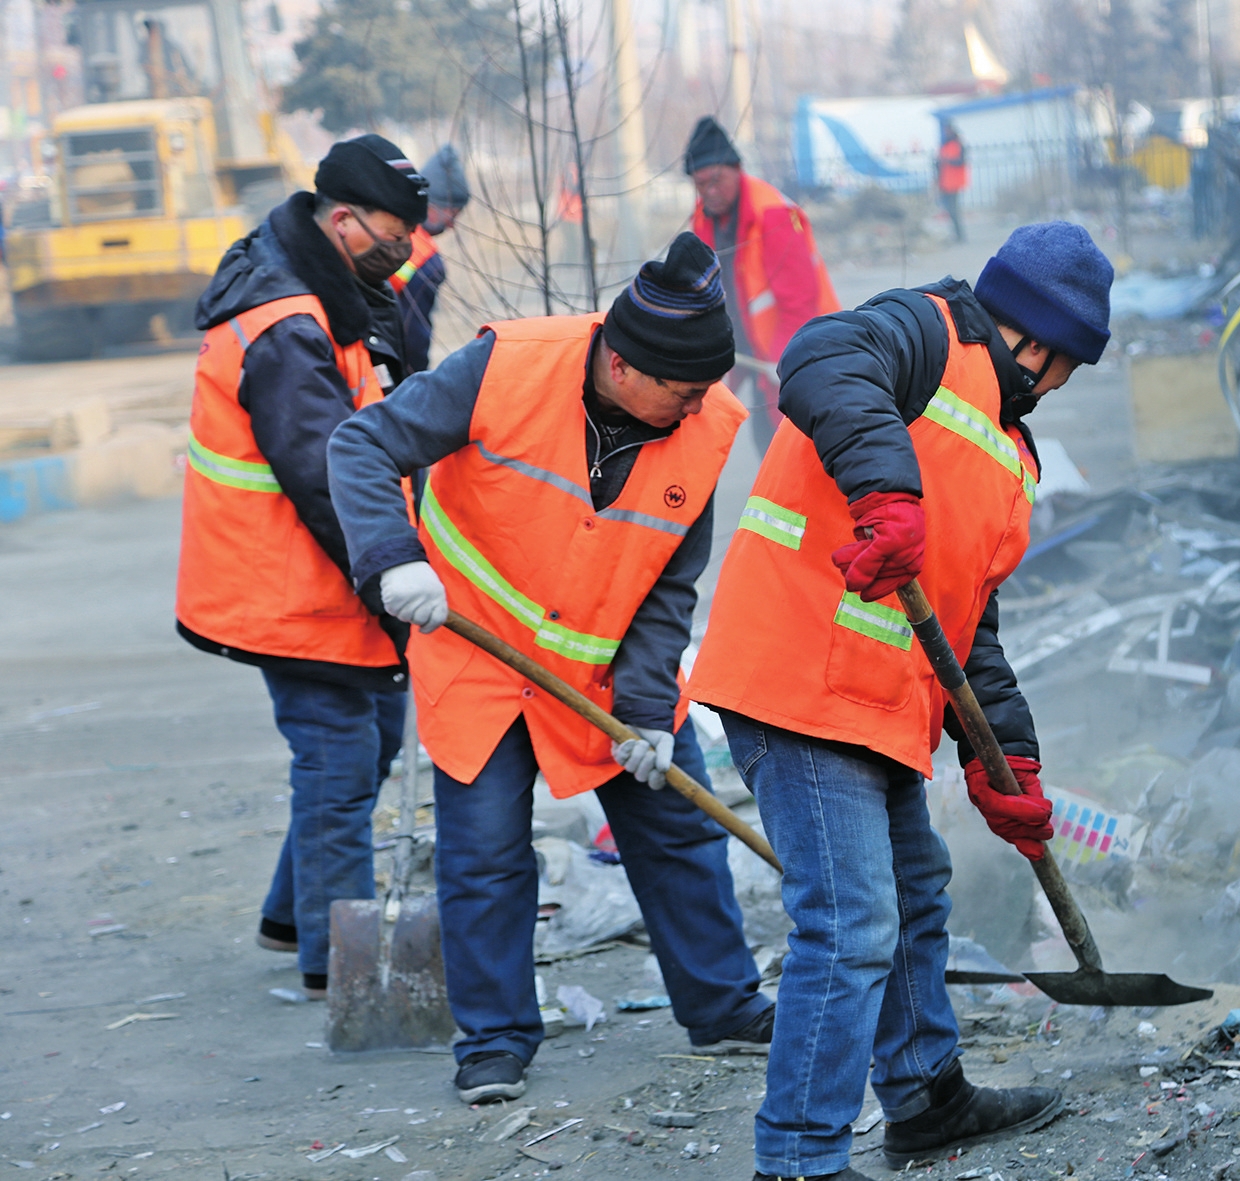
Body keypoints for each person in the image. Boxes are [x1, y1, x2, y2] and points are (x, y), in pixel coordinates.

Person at [690, 221, 1115, 1181]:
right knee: (849, 924)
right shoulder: (923, 331)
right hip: (795, 678)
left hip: (875, 702)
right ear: (1037, 341)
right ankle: (798, 1158)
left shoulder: (1012, 456)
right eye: (1064, 366)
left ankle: (925, 1093)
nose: (1057, 387)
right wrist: (887, 489)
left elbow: (973, 626)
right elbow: (817, 355)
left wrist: (1005, 758)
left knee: (916, 892)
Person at [327, 233, 774, 1105]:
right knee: (485, 854)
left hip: (604, 669)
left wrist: (648, 710)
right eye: (683, 390)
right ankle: (493, 1039)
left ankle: (723, 1007)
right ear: (624, 362)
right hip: (478, 654)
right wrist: (392, 557)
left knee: (677, 829)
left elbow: (667, 578)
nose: (696, 407)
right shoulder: (507, 365)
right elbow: (361, 445)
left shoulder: (706, 424)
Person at [175, 134, 430, 1000]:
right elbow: (326, 476)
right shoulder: (287, 324)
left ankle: (294, 914)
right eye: (396, 231)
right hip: (283, 584)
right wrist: (392, 578)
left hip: (311, 575)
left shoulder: (337, 287)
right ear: (345, 219)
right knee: (338, 754)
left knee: (373, 738)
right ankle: (336, 963)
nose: (407, 247)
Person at [686, 116, 841, 454]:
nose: (709, 192)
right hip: (747, 353)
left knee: (791, 448)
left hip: (795, 352)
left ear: (736, 169)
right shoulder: (704, 216)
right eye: (700, 185)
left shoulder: (772, 216)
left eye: (716, 181)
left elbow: (799, 302)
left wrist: (784, 360)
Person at [391, 144, 470, 372]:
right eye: (452, 214)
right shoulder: (427, 261)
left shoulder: (384, 227)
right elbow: (414, 335)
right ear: (432, 205)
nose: (452, 225)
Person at [936, 122, 969, 243]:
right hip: (945, 182)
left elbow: (961, 161)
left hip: (955, 182)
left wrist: (948, 160)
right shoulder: (944, 146)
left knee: (953, 209)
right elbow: (938, 165)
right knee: (949, 210)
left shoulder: (958, 145)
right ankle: (956, 234)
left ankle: (960, 235)